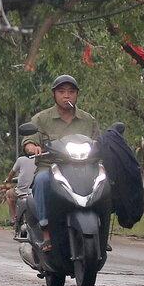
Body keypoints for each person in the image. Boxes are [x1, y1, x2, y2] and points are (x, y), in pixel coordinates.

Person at [26, 75, 102, 241]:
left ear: (77, 95)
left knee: (104, 182)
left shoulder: (88, 120)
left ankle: (102, 232)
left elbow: (98, 142)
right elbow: (29, 141)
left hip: (84, 168)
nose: (66, 95)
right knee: (41, 180)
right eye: (61, 91)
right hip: (51, 167)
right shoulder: (41, 119)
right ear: (54, 95)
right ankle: (45, 230)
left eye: (71, 92)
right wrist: (33, 147)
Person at [5, 137, 44, 239]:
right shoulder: (42, 159)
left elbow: (11, 173)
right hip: (36, 191)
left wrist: (8, 180)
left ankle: (14, 218)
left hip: (22, 191)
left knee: (8, 194)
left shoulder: (20, 160)